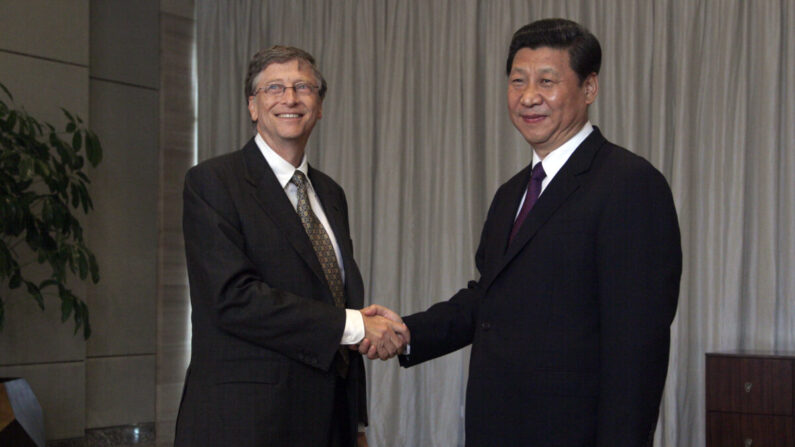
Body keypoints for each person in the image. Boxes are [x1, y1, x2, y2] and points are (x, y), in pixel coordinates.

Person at [362, 18, 682, 446]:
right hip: (496, 428)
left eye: (547, 81)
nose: (529, 97)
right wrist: (407, 333)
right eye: (517, 81)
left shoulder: (629, 184)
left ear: (589, 88)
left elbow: (637, 347)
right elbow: (488, 300)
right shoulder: (511, 193)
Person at [175, 45, 407, 447]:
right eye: (274, 88)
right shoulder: (213, 182)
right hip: (247, 424)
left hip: (329, 422)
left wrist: (357, 423)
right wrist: (355, 326)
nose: (289, 98)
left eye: (303, 87)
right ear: (252, 105)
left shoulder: (331, 194)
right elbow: (233, 298)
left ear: (319, 106)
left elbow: (336, 297)